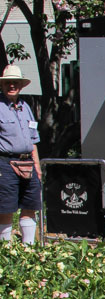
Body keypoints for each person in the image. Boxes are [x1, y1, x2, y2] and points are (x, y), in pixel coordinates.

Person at [0, 66, 41, 246]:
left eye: (15, 82)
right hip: (5, 163)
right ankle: (6, 252)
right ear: (2, 85)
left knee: (31, 205)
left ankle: (28, 250)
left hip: (29, 163)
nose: (11, 86)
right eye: (8, 82)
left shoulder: (26, 107)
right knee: (5, 208)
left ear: (21, 86)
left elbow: (33, 139)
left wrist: (37, 166)